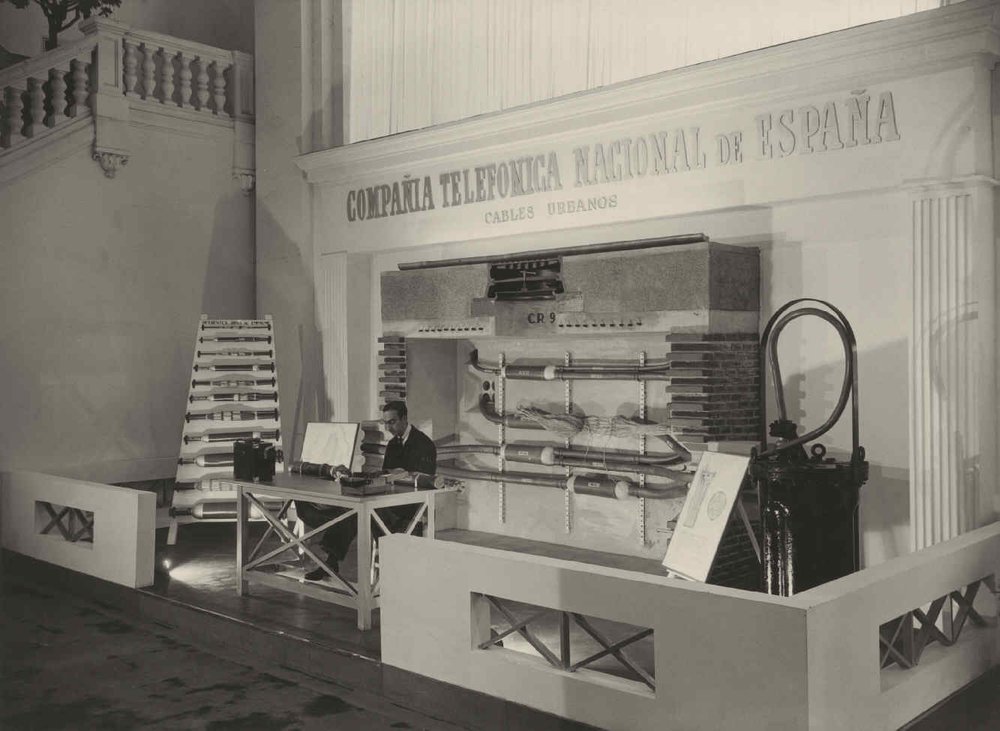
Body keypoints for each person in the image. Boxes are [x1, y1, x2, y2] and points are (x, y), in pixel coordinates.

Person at [297, 401, 436, 581]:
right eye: (385, 423)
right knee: (353, 509)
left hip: (408, 504)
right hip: (390, 498)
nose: (388, 427)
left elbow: (424, 481)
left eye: (392, 422)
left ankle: (330, 563)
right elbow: (388, 472)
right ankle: (330, 562)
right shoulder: (394, 443)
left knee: (356, 513)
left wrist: (397, 475)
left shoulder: (424, 444)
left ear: (404, 418)